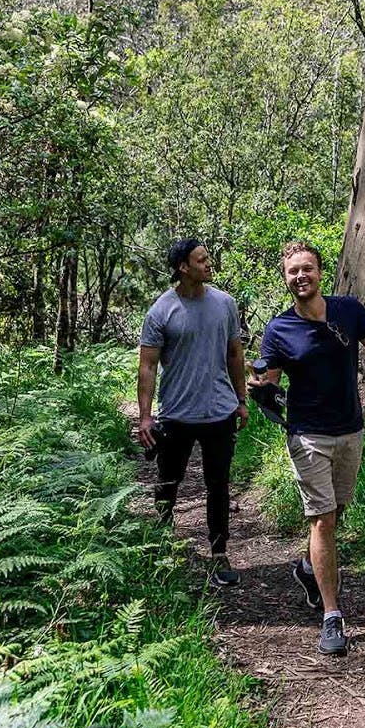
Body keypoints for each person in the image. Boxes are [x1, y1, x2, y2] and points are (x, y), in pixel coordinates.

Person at [252, 240, 365, 656]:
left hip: (350, 430)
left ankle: (307, 569)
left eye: (307, 269)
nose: (300, 276)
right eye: (293, 271)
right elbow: (271, 380)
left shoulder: (349, 310)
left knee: (337, 512)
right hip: (308, 435)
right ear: (286, 278)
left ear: (320, 272)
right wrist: (260, 387)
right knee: (323, 520)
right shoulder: (279, 329)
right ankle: (332, 615)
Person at [135, 238, 248, 588]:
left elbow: (234, 354)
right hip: (176, 415)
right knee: (169, 482)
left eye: (207, 258)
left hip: (219, 412)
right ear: (183, 267)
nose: (208, 263)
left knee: (218, 485)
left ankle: (219, 553)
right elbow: (148, 366)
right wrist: (144, 417)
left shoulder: (225, 304)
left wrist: (242, 399)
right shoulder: (161, 311)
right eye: (201, 260)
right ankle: (162, 538)